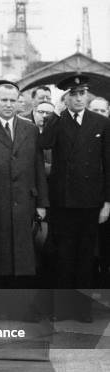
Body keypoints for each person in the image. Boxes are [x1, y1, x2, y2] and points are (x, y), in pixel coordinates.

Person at [40, 75, 110, 322]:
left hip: (91, 202)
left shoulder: (100, 122)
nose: (79, 98)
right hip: (63, 202)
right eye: (74, 94)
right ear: (66, 98)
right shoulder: (59, 122)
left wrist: (107, 203)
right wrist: (57, 114)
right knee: (63, 254)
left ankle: (82, 310)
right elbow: (44, 142)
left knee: (86, 256)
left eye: (83, 93)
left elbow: (108, 164)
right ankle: (62, 309)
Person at [0, 80, 48, 289]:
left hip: (24, 203)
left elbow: (38, 166)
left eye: (13, 100)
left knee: (22, 258)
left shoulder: (30, 129)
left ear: (19, 103)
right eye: (3, 100)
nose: (8, 104)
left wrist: (41, 203)